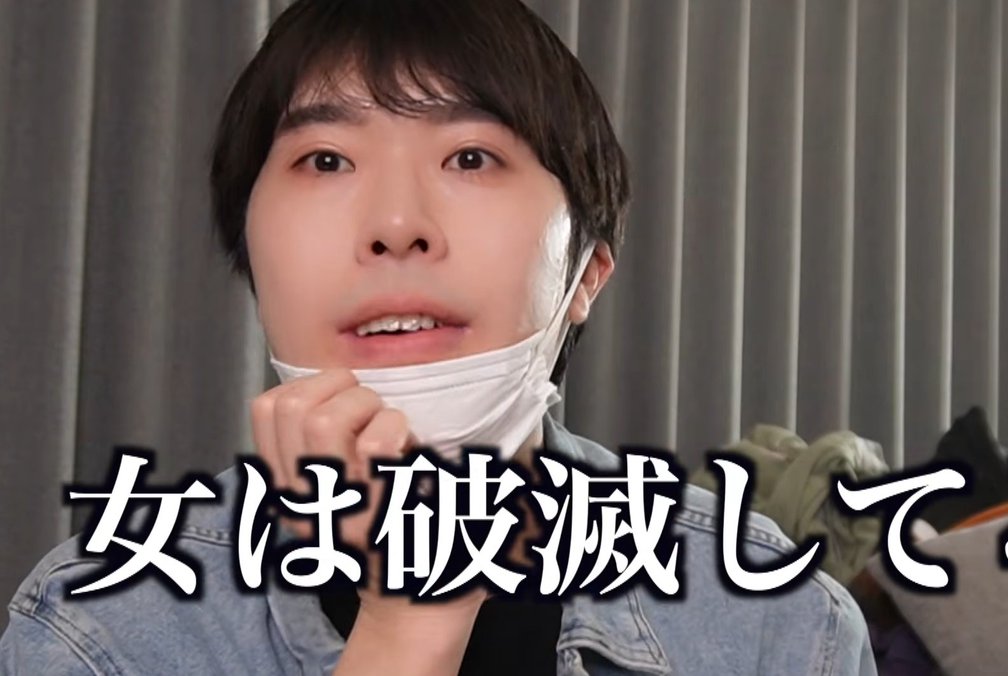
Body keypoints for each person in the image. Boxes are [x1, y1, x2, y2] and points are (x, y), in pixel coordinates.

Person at [0, 1, 875, 673]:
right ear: (251, 253)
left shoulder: (778, 624)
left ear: (587, 274)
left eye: (470, 157)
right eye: (326, 160)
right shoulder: (99, 628)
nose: (395, 225)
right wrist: (407, 629)